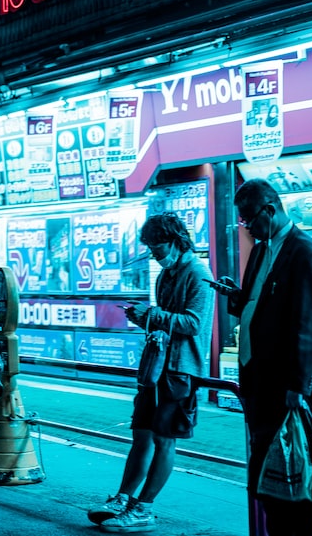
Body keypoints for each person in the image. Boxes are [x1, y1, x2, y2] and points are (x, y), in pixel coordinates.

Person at [211, 179, 312, 536]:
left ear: (269, 209)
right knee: (270, 477)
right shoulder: (263, 250)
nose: (246, 226)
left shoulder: (304, 252)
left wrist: (299, 385)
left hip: (289, 390)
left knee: (301, 478)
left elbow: (311, 323)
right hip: (261, 385)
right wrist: (235, 297)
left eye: (249, 219)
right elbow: (257, 306)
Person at [87, 213, 215, 533]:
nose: (155, 255)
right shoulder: (166, 274)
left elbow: (194, 324)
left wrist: (154, 315)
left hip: (180, 369)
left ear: (175, 241)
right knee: (141, 433)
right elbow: (164, 320)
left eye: (157, 248)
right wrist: (141, 318)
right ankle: (124, 497)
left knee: (164, 439)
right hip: (156, 366)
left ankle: (143, 507)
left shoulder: (198, 273)